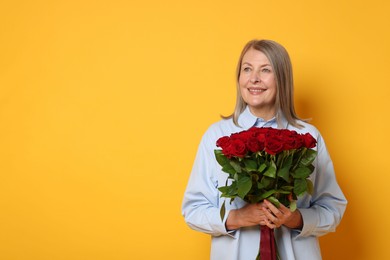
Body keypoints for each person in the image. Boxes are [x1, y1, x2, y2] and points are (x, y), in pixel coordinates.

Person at [181, 39, 347, 260]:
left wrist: (295, 219)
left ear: (282, 78)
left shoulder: (309, 137)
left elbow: (333, 208)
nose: (254, 79)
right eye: (247, 69)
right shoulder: (216, 136)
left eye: (265, 70)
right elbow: (193, 210)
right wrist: (238, 218)